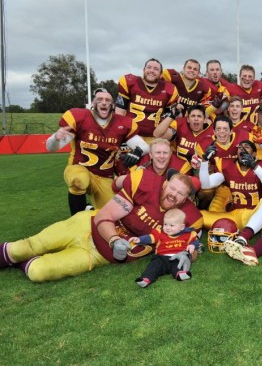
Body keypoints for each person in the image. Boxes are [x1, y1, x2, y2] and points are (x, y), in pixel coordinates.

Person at [0, 171, 203, 283]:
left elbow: (193, 247)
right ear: (166, 183)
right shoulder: (146, 182)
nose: (173, 194)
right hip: (86, 225)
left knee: (38, 272)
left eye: (181, 193)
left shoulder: (190, 217)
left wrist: (188, 255)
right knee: (20, 248)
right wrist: (114, 239)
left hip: (99, 256)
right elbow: (105, 215)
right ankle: (12, 255)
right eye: (173, 188)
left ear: (187, 198)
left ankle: (17, 262)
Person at [46, 88, 149, 215]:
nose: (104, 102)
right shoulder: (80, 118)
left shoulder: (123, 123)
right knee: (79, 180)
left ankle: (88, 208)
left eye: (108, 100)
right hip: (79, 168)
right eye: (99, 99)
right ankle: (75, 219)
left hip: (104, 176)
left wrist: (137, 152)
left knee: (113, 213)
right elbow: (51, 147)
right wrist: (56, 138)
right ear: (92, 104)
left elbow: (144, 146)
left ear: (113, 105)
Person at [199, 140, 262, 247]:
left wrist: (254, 166)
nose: (242, 149)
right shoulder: (228, 166)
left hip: (255, 214)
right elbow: (205, 185)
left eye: (247, 147)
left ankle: (244, 237)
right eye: (240, 147)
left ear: (254, 153)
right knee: (198, 215)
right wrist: (204, 161)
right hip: (234, 216)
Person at [130, 208, 199, 287]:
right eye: (165, 224)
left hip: (178, 257)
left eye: (171, 225)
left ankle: (180, 274)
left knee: (179, 265)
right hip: (161, 258)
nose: (167, 228)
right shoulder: (160, 233)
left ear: (182, 227)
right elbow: (150, 237)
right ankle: (146, 279)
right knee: (153, 266)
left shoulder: (188, 234)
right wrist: (139, 239)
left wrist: (193, 245)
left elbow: (196, 241)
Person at [115, 58, 179, 141]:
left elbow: (169, 120)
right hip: (130, 137)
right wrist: (121, 135)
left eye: (156, 69)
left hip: (155, 139)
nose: (152, 71)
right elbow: (119, 114)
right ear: (143, 70)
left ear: (160, 74)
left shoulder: (170, 90)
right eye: (149, 67)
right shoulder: (130, 82)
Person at [113, 138, 192, 191]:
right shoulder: (140, 163)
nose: (161, 156)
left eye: (165, 153)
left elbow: (187, 193)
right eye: (158, 152)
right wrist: (134, 177)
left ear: (170, 153)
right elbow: (116, 187)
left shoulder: (182, 166)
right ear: (150, 154)